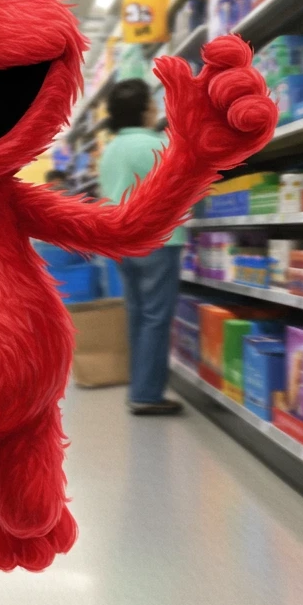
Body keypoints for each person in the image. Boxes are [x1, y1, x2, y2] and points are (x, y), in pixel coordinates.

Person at [98, 78, 186, 416]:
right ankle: (147, 394)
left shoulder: (111, 149)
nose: (155, 108)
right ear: (143, 110)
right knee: (155, 317)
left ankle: (139, 386)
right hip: (155, 242)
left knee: (138, 314)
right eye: (152, 103)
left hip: (121, 241)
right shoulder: (154, 145)